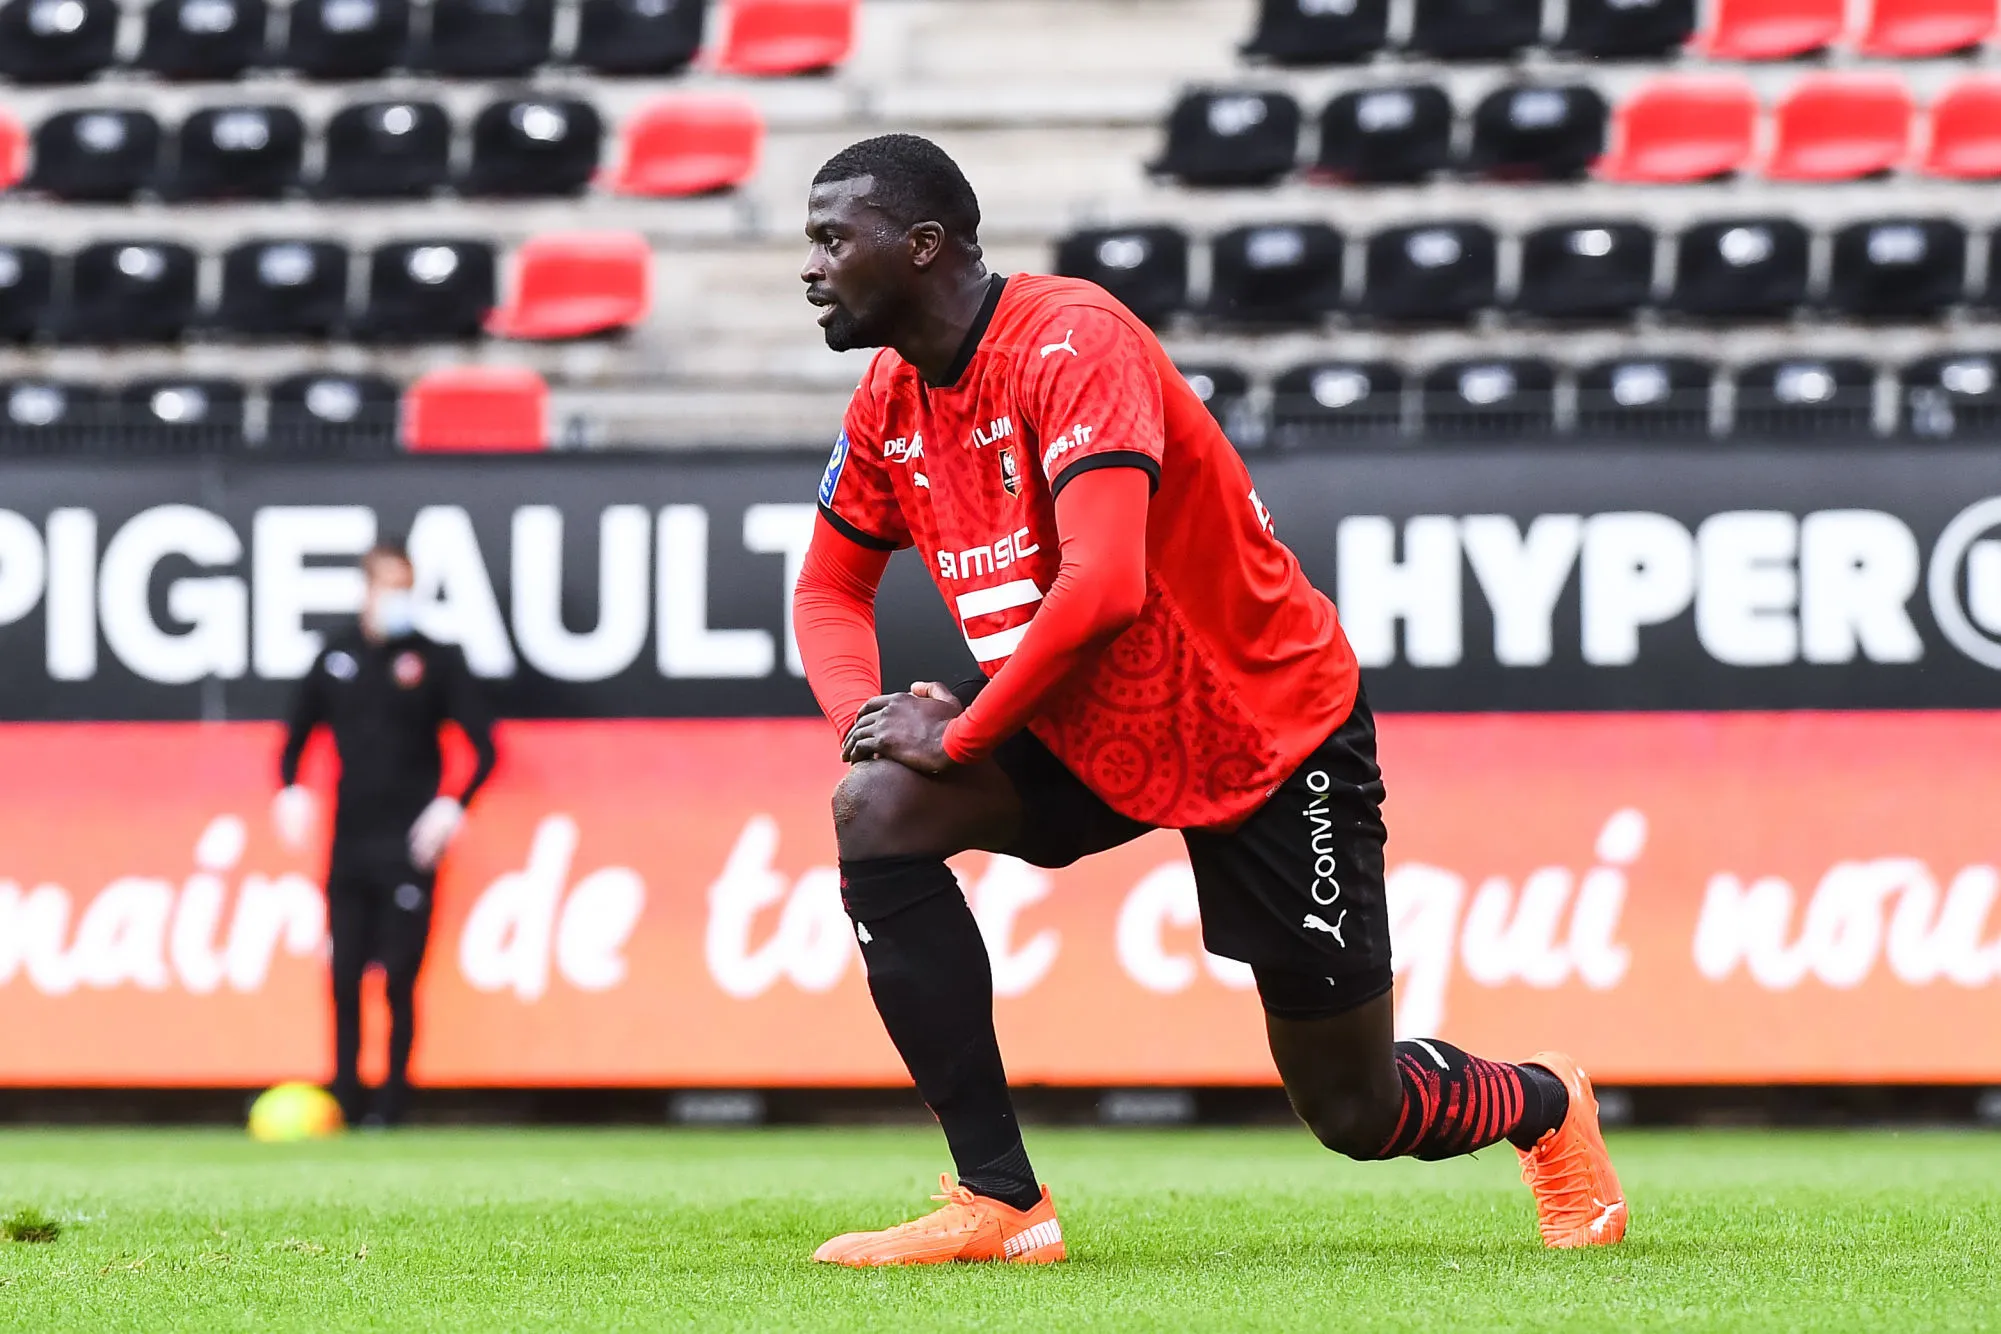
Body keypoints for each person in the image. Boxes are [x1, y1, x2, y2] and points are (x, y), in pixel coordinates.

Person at [790, 134, 1627, 1266]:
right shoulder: (889, 401)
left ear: (922, 245)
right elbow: (828, 586)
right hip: (1079, 724)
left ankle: (1543, 1102)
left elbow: (1104, 587)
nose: (813, 266)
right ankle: (1001, 1199)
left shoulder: (1071, 341)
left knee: (1354, 1109)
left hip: (1266, 729)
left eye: (834, 239)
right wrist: (869, 725)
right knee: (874, 809)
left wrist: (964, 728)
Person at [272, 541, 496, 1128]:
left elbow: (485, 748)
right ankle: (345, 1095)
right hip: (350, 843)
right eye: (389, 585)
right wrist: (291, 788)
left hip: (409, 846)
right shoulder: (336, 656)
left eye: (407, 586)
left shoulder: (435, 660)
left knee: (398, 977)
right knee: (344, 976)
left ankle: (393, 1104)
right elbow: (295, 738)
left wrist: (451, 806)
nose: (399, 598)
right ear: (366, 587)